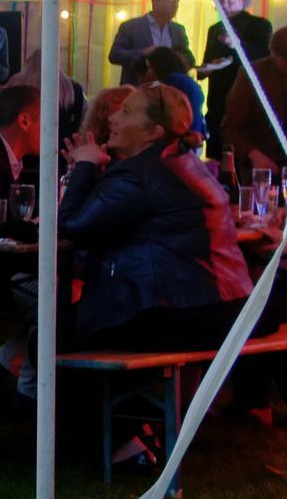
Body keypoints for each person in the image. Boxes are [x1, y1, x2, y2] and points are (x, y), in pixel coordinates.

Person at [60, 84, 250, 350]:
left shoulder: (135, 174)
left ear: (152, 132)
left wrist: (84, 165)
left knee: (46, 337)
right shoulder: (189, 163)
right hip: (224, 305)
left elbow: (69, 228)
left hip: (169, 312)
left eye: (126, 112)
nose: (113, 118)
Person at [198, 0, 271, 156]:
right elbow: (206, 63)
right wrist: (206, 68)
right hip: (218, 98)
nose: (224, 4)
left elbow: (263, 58)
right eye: (220, 0)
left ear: (242, 0)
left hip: (246, 95)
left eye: (229, 0)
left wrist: (236, 45)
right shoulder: (215, 29)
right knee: (217, 157)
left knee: (241, 154)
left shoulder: (259, 25)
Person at [221, 26, 287, 176]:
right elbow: (229, 128)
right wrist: (253, 154)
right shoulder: (252, 74)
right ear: (276, 55)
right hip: (264, 169)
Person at [109, 0, 192, 85]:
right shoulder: (130, 27)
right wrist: (143, 53)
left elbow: (188, 57)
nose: (176, 5)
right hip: (137, 90)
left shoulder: (178, 30)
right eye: (172, 1)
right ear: (156, 2)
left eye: (177, 2)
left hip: (169, 92)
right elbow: (114, 55)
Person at [134, 47, 205, 138]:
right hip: (195, 132)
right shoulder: (183, 79)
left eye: (150, 67)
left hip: (185, 135)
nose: (149, 72)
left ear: (160, 66)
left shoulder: (170, 82)